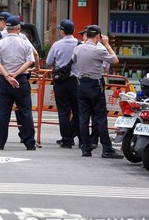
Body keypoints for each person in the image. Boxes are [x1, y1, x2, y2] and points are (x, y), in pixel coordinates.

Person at [72, 25, 123, 159]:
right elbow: (115, 60)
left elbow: (74, 60)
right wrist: (107, 44)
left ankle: (85, 148)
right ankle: (106, 148)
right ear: (98, 36)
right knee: (100, 118)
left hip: (82, 83)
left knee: (83, 118)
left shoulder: (78, 48)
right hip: (95, 84)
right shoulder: (99, 50)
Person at [0, 16, 37, 151]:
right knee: (25, 112)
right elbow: (30, 61)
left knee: (3, 113)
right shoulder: (25, 43)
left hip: (5, 81)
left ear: (6, 28)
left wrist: (7, 75)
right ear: (18, 28)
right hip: (21, 80)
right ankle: (30, 143)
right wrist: (16, 75)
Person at [46, 20, 81, 148]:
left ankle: (66, 140)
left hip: (61, 82)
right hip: (76, 81)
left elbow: (49, 61)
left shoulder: (57, 44)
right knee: (78, 111)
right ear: (74, 30)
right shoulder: (79, 44)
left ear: (62, 31)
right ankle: (81, 139)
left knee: (63, 112)